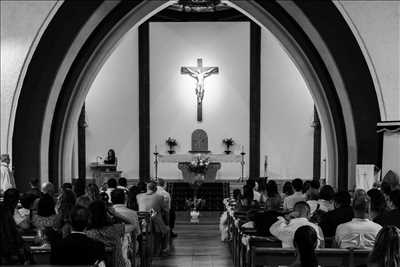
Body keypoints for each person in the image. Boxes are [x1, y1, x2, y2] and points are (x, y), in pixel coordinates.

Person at [86, 200, 135, 267]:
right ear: (105, 214)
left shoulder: (88, 233)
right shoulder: (115, 229)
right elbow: (133, 224)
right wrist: (115, 214)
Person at [137, 181, 169, 255]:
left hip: (142, 223)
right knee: (167, 230)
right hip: (154, 222)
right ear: (155, 189)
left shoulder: (138, 196)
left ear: (147, 188)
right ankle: (163, 249)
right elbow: (166, 210)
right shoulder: (160, 197)